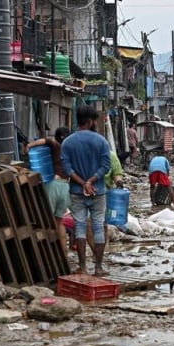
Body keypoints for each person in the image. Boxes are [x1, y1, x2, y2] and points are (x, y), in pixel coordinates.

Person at [61, 106, 111, 276]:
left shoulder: (68, 142)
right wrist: (91, 181)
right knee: (98, 226)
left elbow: (67, 169)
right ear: (90, 122)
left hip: (76, 191)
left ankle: (82, 267)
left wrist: (83, 183)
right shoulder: (101, 141)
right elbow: (106, 166)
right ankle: (98, 267)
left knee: (80, 227)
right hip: (98, 190)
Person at [25, 127, 70, 252]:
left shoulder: (55, 145)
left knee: (47, 219)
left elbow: (45, 140)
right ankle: (63, 251)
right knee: (59, 221)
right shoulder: (70, 149)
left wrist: (29, 145)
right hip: (66, 186)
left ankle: (47, 251)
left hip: (54, 184)